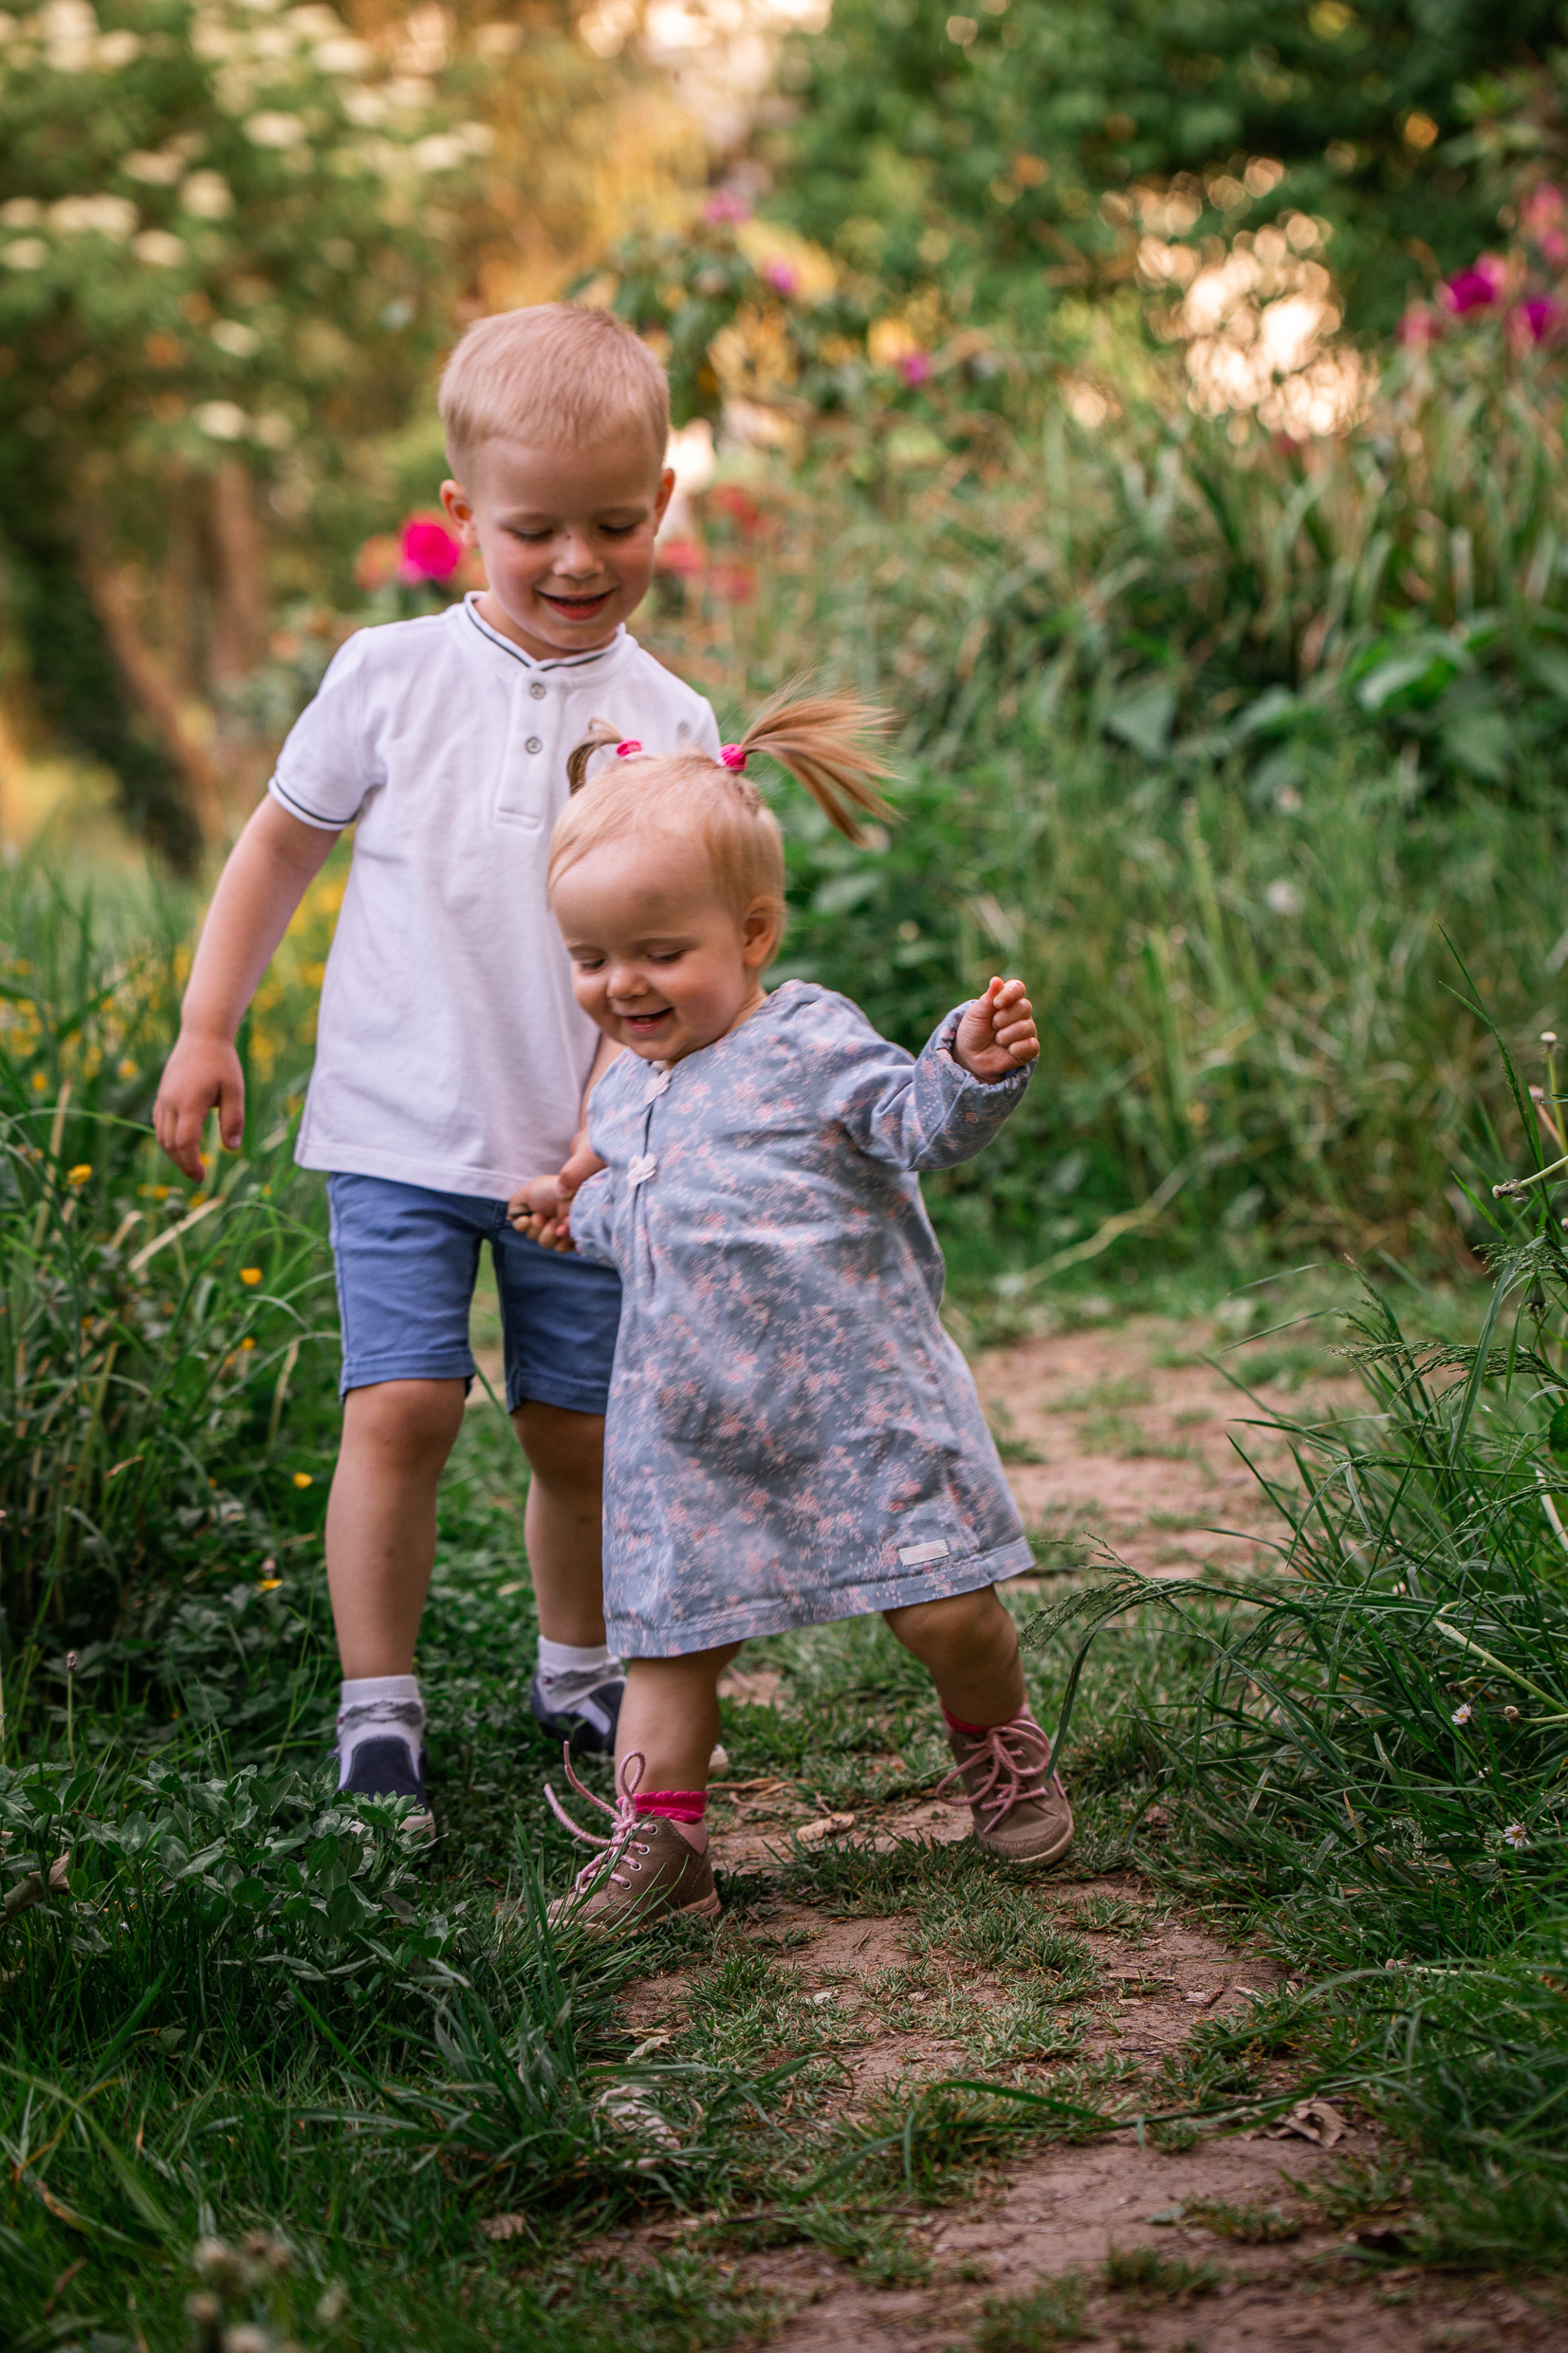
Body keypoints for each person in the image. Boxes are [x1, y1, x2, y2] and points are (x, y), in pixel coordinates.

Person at [154, 305, 722, 1819]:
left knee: (574, 1429)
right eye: (535, 528)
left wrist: (649, 1122)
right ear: (463, 515)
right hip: (401, 1126)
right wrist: (210, 1025)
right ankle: (378, 1705)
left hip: (581, 1147)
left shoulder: (672, 722)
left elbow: (696, 950)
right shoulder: (390, 673)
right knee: (396, 1409)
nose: (579, 561)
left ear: (662, 501)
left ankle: (578, 1666)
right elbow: (279, 845)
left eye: (615, 522)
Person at [512, 692, 1072, 1930]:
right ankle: (662, 1851)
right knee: (668, 1644)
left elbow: (912, 1127)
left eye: (658, 952)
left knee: (943, 1608)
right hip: (690, 1430)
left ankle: (996, 1743)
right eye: (591, 959)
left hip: (856, 1404)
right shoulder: (622, 1103)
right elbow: (655, 1220)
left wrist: (969, 1069)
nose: (622, 985)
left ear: (752, 931)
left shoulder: (809, 1039)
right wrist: (577, 1216)